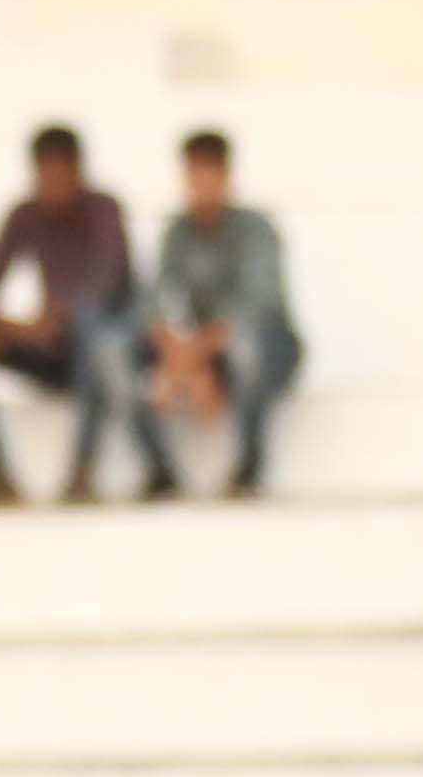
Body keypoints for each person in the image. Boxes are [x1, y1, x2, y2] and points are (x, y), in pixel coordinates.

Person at [0, 122, 130, 509]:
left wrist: (51, 321)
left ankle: (81, 472)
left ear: (79, 171)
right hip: (44, 348)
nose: (53, 185)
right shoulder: (25, 215)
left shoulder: (104, 209)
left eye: (61, 174)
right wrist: (14, 328)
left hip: (96, 357)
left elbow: (107, 289)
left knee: (93, 327)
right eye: (45, 175)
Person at [127, 127, 299, 502]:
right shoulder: (178, 232)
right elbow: (155, 298)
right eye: (193, 177)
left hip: (267, 347)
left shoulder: (256, 228)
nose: (200, 187)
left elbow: (257, 304)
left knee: (247, 344)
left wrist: (195, 356)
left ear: (226, 177)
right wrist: (177, 355)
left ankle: (249, 469)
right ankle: (159, 472)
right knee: (119, 349)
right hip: (209, 350)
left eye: (209, 177)